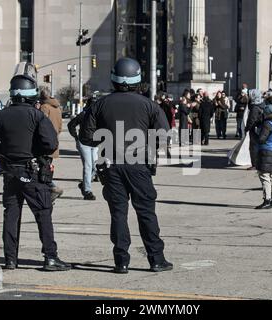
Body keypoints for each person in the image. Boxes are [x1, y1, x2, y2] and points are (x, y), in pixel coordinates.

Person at [79, 57, 173, 274]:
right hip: (139, 164)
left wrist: (104, 141)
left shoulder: (100, 104)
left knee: (118, 213)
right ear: (138, 78)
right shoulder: (149, 105)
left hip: (110, 165)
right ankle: (156, 259)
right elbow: (164, 135)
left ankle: (121, 261)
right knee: (146, 212)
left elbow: (86, 136)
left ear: (114, 78)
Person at [0, 62, 70, 272]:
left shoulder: (0, 115)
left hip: (10, 172)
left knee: (11, 214)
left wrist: (4, 151)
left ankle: (11, 260)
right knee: (43, 213)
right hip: (33, 172)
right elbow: (51, 143)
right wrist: (36, 150)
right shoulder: (37, 116)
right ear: (32, 93)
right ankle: (50, 257)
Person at [254, 95, 272, 210]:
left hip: (266, 151)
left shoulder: (268, 124)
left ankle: (267, 200)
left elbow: (262, 138)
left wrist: (256, 134)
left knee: (264, 175)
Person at [67, 105, 99, 201]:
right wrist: (76, 138)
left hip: (95, 143)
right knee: (88, 166)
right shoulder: (84, 114)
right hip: (84, 143)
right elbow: (71, 125)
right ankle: (87, 191)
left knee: (95, 167)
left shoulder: (101, 114)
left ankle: (84, 184)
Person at [39, 87, 64, 201]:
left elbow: (39, 125)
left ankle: (52, 188)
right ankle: (49, 191)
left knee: (41, 169)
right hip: (54, 142)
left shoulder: (44, 108)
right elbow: (59, 128)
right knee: (47, 168)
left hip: (43, 143)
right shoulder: (57, 108)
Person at [245, 89, 265, 169]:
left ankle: (255, 164)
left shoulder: (255, 108)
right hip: (261, 129)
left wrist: (246, 129)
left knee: (254, 147)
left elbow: (251, 120)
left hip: (255, 130)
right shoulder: (262, 104)